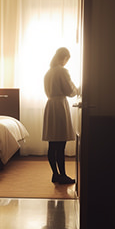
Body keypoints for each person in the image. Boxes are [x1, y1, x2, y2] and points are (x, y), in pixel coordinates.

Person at [42, 47, 80, 184]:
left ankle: (55, 174)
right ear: (64, 58)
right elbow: (70, 90)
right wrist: (79, 89)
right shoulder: (62, 71)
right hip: (59, 107)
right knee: (61, 144)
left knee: (52, 143)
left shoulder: (48, 73)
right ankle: (62, 175)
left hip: (50, 105)